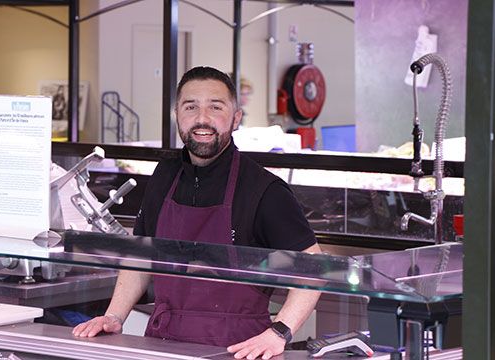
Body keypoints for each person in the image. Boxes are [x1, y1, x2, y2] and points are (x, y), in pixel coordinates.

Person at [73, 66, 321, 360]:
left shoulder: (264, 190)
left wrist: (280, 332)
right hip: (163, 345)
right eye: (191, 107)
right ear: (178, 113)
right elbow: (141, 255)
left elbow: (314, 267)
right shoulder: (165, 176)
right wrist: (115, 316)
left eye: (215, 107)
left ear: (236, 117)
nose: (202, 119)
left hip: (237, 349)